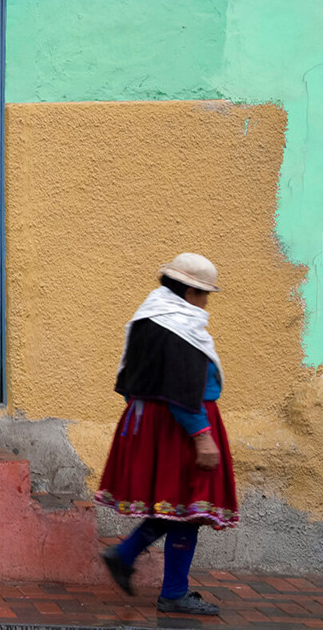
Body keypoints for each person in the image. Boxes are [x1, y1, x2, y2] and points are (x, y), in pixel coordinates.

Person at [94, 253, 238, 616]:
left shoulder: (148, 317)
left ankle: (126, 556)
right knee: (187, 509)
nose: (207, 302)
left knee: (176, 507)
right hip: (181, 426)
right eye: (205, 294)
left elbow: (132, 379)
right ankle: (172, 592)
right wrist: (202, 436)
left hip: (152, 423)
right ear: (190, 291)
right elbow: (181, 389)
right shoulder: (179, 328)